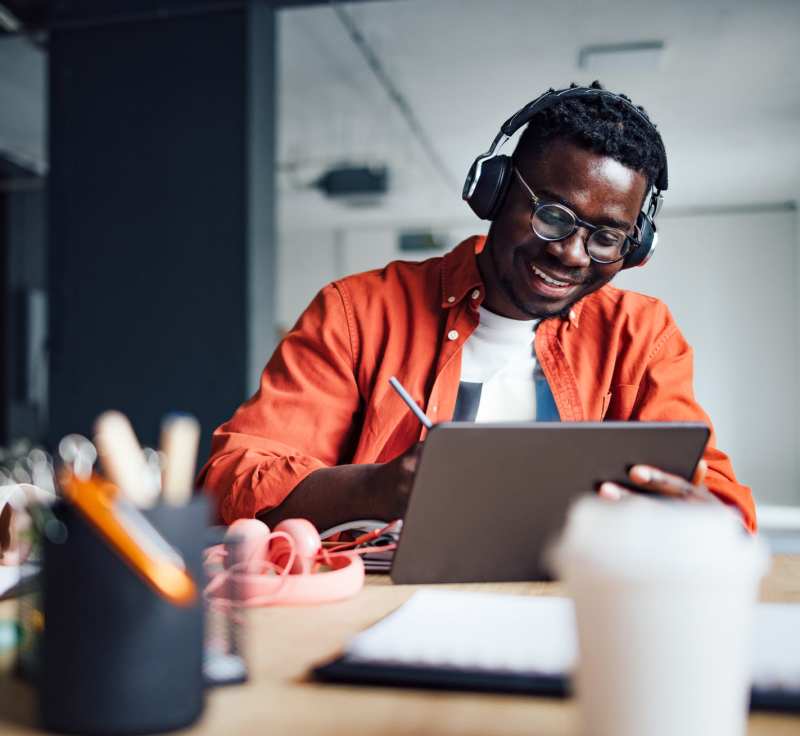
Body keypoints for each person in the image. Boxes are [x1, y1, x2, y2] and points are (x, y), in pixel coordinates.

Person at [198, 82, 756, 533]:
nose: (569, 252)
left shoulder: (641, 334)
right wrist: (380, 488)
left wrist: (699, 517)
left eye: (606, 237)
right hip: (382, 604)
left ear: (634, 246)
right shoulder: (356, 312)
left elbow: (722, 504)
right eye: (553, 216)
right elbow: (232, 476)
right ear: (495, 192)